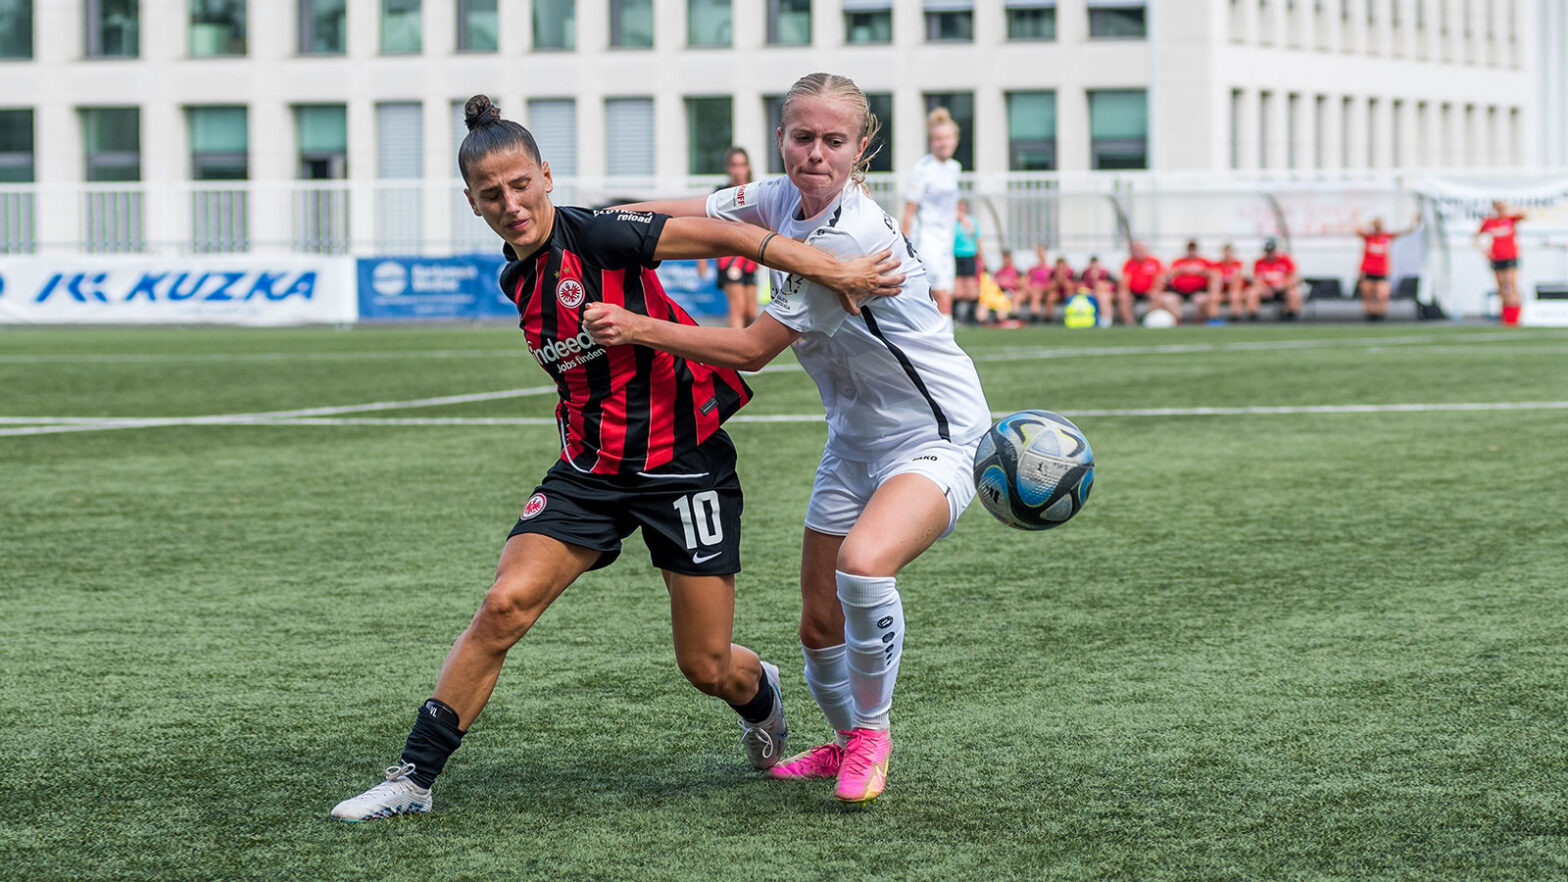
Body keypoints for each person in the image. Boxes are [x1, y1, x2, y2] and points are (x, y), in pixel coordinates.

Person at [329, 95, 900, 822]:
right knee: (503, 606)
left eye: (520, 185)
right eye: (491, 194)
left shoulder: (601, 235)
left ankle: (762, 695)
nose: (510, 204)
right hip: (588, 471)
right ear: (472, 204)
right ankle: (412, 779)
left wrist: (830, 268)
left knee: (706, 665)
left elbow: (731, 238)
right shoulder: (516, 278)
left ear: (546, 177)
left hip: (684, 464)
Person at [583, 72, 993, 808]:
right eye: (802, 136)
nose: (815, 153)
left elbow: (749, 349)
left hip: (939, 437)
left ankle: (872, 733)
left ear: (861, 147)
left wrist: (637, 326)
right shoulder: (775, 198)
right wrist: (576, 220)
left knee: (865, 569)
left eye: (833, 141)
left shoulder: (855, 235)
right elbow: (671, 218)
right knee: (817, 621)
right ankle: (841, 742)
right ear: (782, 138)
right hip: (853, 443)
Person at [901, 107, 963, 327]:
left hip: (947, 241)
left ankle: (938, 338)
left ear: (955, 140)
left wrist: (962, 218)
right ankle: (947, 341)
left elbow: (952, 202)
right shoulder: (923, 169)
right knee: (941, 293)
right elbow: (910, 208)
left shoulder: (955, 168)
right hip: (927, 240)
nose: (943, 143)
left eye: (947, 138)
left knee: (947, 293)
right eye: (938, 139)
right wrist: (903, 241)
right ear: (931, 142)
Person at [713, 146, 761, 329]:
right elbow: (704, 223)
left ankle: (741, 344)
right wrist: (701, 260)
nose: (738, 170)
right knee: (738, 308)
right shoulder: (720, 193)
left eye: (742, 165)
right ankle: (735, 354)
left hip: (750, 257)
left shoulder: (755, 191)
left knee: (751, 312)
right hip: (729, 257)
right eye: (734, 165)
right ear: (728, 168)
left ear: (748, 167)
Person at [1355, 215, 1420, 321]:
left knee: (1382, 295)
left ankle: (1381, 316)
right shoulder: (1368, 237)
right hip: (1368, 271)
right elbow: (1357, 230)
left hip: (1381, 272)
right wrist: (1369, 225)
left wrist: (1414, 223)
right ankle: (1368, 317)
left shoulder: (1386, 236)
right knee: (1367, 295)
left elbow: (1405, 232)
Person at [1476, 201, 1528, 326]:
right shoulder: (1489, 222)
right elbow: (1476, 237)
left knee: (1511, 284)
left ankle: (1516, 318)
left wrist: (1510, 207)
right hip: (1496, 258)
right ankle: (1506, 317)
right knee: (1501, 288)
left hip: (1510, 256)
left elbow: (1526, 214)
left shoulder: (1510, 219)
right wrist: (1485, 252)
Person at [1246, 238, 1303, 320]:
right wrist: (1265, 288)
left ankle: (1292, 315)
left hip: (1282, 288)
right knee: (1252, 292)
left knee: (1293, 293)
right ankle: (1253, 316)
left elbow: (1293, 277)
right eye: (1268, 251)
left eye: (1271, 251)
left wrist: (1283, 286)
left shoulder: (1285, 260)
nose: (1270, 254)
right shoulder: (1259, 262)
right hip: (1266, 289)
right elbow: (1256, 279)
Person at [1164, 240, 1217, 325]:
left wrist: (1201, 271)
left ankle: (1199, 322)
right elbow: (1167, 276)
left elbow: (1214, 273)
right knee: (1168, 299)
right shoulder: (1178, 262)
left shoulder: (1204, 262)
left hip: (1198, 290)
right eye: (1190, 249)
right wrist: (1180, 271)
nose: (1191, 252)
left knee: (1201, 300)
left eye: (1193, 249)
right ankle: (1178, 320)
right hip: (1179, 291)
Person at [1115, 241, 1165, 326]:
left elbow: (1160, 278)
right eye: (1135, 250)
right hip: (1133, 292)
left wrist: (1154, 289)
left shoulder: (1154, 262)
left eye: (1140, 250)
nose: (1138, 252)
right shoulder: (1129, 263)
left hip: (1149, 291)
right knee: (1122, 296)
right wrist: (1125, 292)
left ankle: (1147, 320)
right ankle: (1129, 323)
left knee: (1156, 295)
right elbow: (1125, 280)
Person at [951, 199, 983, 325]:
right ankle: (954, 316)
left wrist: (981, 258)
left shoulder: (972, 221)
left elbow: (978, 239)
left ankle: (972, 316)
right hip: (955, 256)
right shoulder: (952, 222)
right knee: (956, 288)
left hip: (969, 255)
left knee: (971, 287)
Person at [1019, 245, 1055, 324]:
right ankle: (1015, 317)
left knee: (1037, 296)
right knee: (1019, 295)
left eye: (1042, 251)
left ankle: (1036, 318)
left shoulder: (1051, 269)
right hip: (1032, 291)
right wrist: (1028, 288)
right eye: (1039, 251)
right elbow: (1026, 281)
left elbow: (1053, 284)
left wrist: (1042, 289)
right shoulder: (1033, 269)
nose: (1040, 254)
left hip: (1043, 292)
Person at [1213, 243, 1247, 321]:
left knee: (1235, 295)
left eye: (1229, 252)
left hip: (1235, 290)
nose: (1227, 254)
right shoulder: (1218, 265)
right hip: (1221, 291)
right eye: (1226, 252)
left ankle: (1236, 317)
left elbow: (1241, 278)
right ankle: (1214, 318)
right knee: (1214, 296)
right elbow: (1215, 280)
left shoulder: (1239, 264)